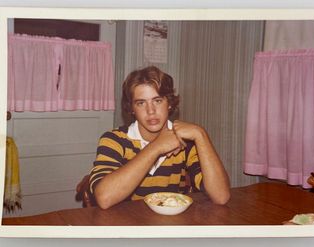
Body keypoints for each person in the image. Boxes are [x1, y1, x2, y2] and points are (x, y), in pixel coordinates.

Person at [89, 66, 231, 209]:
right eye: (141, 103)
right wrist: (157, 147)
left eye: (157, 101)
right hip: (129, 226)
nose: (150, 111)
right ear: (131, 108)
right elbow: (104, 198)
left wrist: (200, 134)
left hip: (171, 225)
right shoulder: (114, 140)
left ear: (169, 103)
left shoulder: (186, 142)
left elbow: (221, 196)